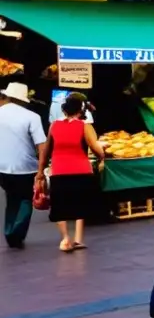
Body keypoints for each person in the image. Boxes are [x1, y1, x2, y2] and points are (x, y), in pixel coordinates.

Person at [37, 93, 104, 252]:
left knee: (60, 204)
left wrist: (40, 171)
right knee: (80, 203)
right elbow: (95, 148)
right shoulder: (85, 126)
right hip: (81, 170)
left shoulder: (54, 125)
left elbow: (46, 151)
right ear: (81, 110)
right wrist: (102, 156)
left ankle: (66, 239)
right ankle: (79, 239)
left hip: (59, 170)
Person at [0, 83, 46, 249]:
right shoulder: (32, 117)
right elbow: (42, 146)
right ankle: (16, 234)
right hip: (26, 167)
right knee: (26, 199)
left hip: (2, 167)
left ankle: (8, 230)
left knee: (11, 198)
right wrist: (41, 171)